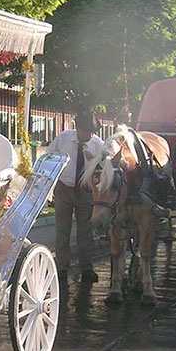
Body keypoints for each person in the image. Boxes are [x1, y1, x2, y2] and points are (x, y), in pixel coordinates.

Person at [47, 111, 105, 282]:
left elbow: (104, 169)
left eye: (92, 131)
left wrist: (94, 161)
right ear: (78, 129)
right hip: (64, 189)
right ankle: (62, 267)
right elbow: (49, 157)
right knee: (62, 229)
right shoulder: (63, 139)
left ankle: (86, 267)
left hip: (85, 191)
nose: (90, 135)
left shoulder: (98, 145)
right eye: (87, 131)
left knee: (85, 232)